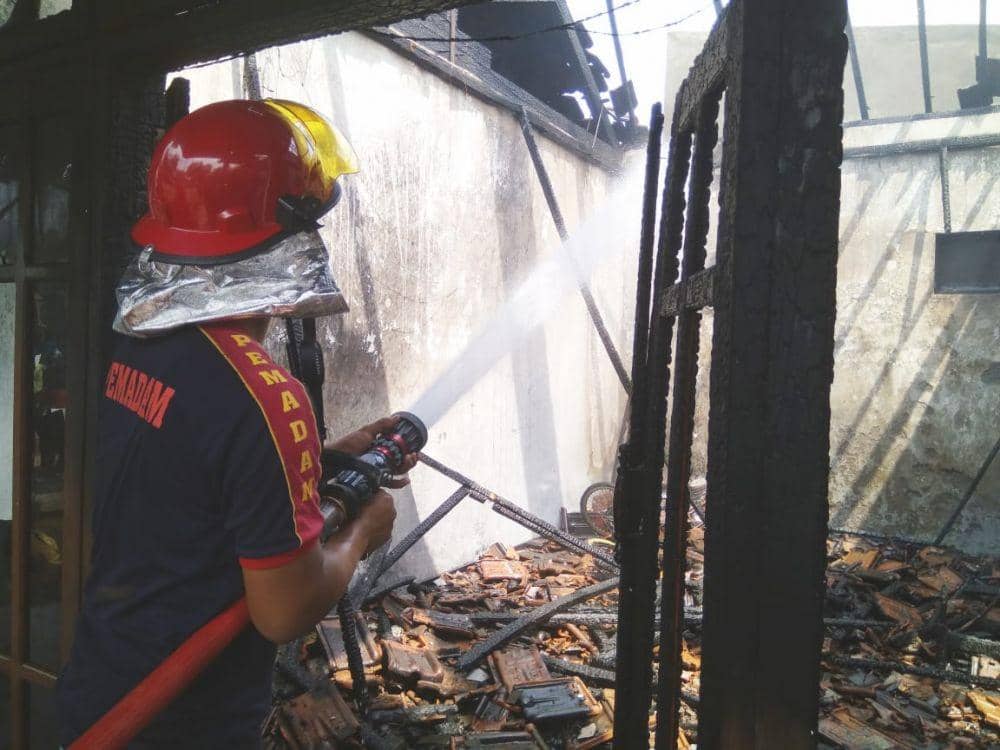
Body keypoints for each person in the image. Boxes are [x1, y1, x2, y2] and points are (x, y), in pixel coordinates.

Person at [57, 99, 409, 747]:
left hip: (102, 678)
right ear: (291, 231)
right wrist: (363, 531)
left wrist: (324, 457)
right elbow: (282, 612)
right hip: (183, 720)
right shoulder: (261, 394)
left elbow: (195, 469)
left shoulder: (141, 338)